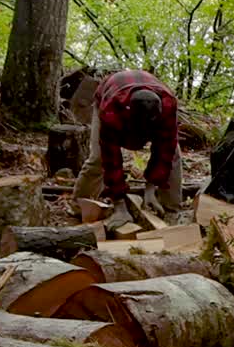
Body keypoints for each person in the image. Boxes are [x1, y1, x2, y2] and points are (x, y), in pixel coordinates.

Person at [73, 70, 182, 228]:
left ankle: (171, 209)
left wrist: (151, 186)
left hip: (138, 92)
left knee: (173, 156)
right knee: (97, 158)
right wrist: (120, 206)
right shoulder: (111, 110)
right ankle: (79, 205)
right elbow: (110, 159)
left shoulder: (168, 106)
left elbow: (165, 149)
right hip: (110, 92)